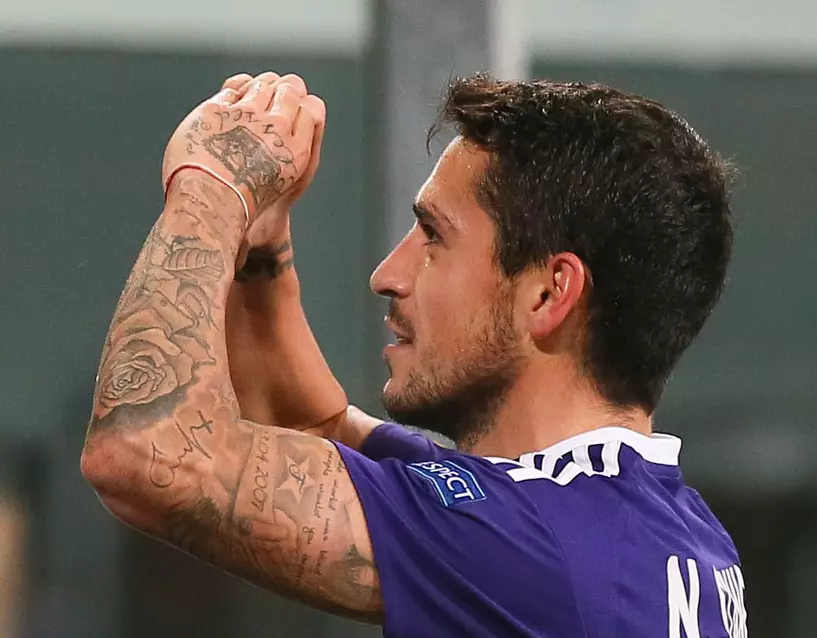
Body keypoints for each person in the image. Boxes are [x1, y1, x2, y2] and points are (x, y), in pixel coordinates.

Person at [81, 71, 748, 637]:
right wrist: (263, 246)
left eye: (433, 236)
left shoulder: (532, 545)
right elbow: (308, 430)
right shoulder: (672, 531)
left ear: (549, 293)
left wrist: (210, 186)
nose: (388, 274)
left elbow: (146, 453)